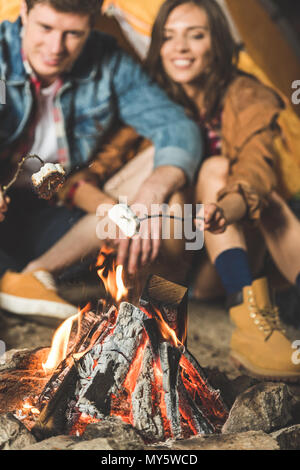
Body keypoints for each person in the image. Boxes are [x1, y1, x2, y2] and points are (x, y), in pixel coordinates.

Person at [0, 0, 203, 321]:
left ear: (92, 25)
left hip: (63, 215)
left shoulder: (108, 62)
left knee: (170, 184)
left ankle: (154, 318)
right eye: (45, 28)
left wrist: (150, 195)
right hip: (5, 213)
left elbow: (178, 127)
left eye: (73, 34)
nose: (56, 47)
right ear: (23, 13)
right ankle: (16, 282)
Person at [142, 0, 300, 381]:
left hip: (221, 256)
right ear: (157, 46)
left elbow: (255, 170)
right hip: (172, 259)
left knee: (239, 181)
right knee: (175, 179)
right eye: (168, 37)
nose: (179, 48)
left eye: (195, 35)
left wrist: (223, 209)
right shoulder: (151, 99)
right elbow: (113, 157)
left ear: (218, 43)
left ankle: (248, 320)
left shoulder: (247, 95)